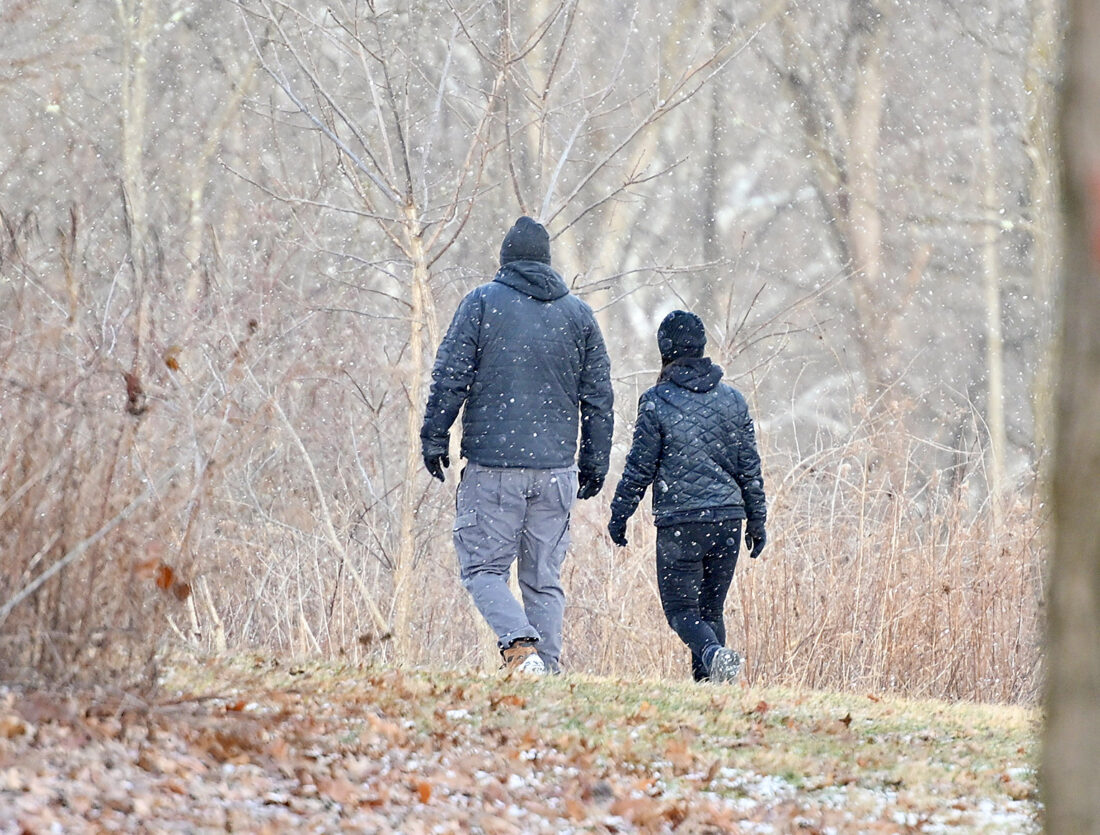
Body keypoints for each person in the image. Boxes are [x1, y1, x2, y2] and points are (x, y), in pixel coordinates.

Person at [421, 216, 613, 675]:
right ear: (547, 261)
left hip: (494, 467)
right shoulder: (579, 315)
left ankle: (521, 648)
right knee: (543, 578)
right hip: (556, 472)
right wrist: (595, 461)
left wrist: (434, 435)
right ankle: (545, 669)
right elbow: (599, 397)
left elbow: (451, 376)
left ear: (505, 259)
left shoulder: (483, 303)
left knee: (482, 569)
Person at [607, 310, 767, 683]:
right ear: (701, 346)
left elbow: (640, 467)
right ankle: (711, 690)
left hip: (682, 522)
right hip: (728, 519)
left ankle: (713, 655)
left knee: (681, 611)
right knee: (711, 611)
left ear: (665, 349)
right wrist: (757, 520)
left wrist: (620, 513)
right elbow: (750, 468)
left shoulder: (656, 401)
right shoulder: (733, 400)